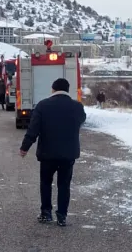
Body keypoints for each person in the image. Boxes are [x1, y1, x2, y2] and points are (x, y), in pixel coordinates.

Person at [19, 78, 87, 227]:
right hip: (68, 154)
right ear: (67, 90)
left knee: (46, 183)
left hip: (47, 154)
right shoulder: (77, 107)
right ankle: (62, 216)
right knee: (64, 185)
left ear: (53, 89)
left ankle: (46, 213)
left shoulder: (43, 106)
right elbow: (82, 120)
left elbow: (33, 129)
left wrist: (25, 147)